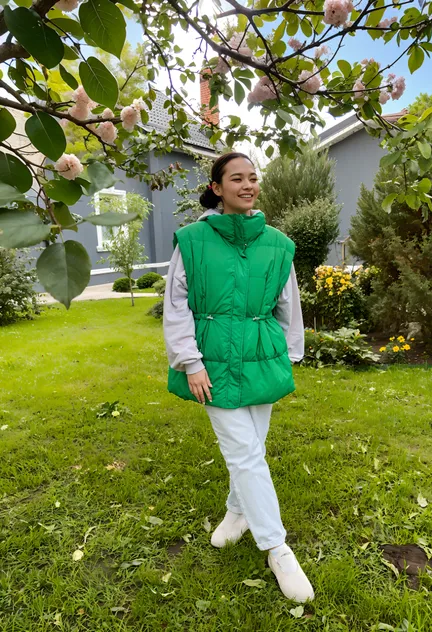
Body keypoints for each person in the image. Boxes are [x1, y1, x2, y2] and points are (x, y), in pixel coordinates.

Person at [163, 152, 314, 603]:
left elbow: (289, 306)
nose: (247, 185)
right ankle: (277, 547)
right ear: (216, 187)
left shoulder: (278, 244)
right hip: (212, 362)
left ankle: (236, 514)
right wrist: (190, 361)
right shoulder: (191, 241)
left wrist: (289, 355)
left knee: (253, 446)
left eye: (253, 178)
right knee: (244, 450)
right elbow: (177, 305)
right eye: (236, 178)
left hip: (262, 355)